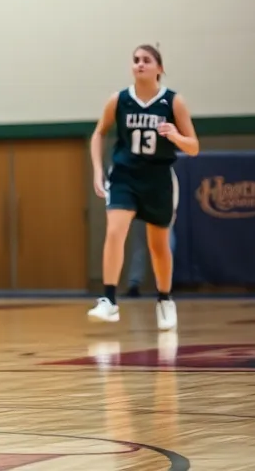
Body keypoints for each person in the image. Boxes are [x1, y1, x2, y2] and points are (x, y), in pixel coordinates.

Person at [88, 45, 199, 330]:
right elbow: (99, 133)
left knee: (158, 246)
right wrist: (98, 171)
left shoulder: (173, 102)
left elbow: (194, 146)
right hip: (125, 175)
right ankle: (109, 300)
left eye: (146, 60)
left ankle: (164, 298)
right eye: (136, 60)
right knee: (114, 232)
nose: (139, 64)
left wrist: (175, 136)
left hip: (158, 178)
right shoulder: (119, 100)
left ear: (159, 68)